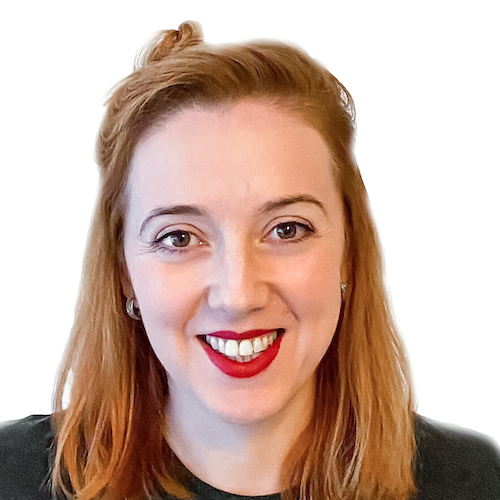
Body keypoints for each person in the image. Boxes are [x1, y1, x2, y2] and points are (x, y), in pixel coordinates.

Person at [0, 21, 499, 500]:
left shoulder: (474, 482)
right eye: (179, 237)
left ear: (349, 255)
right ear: (124, 274)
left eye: (287, 229)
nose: (238, 296)